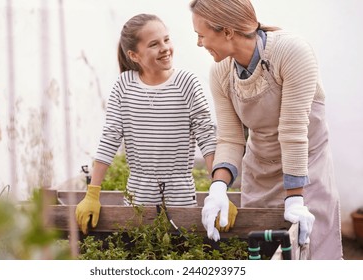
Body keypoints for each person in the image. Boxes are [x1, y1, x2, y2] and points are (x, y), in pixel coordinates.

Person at [189, 0, 343, 259]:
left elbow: (293, 130)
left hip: (305, 171)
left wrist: (294, 198)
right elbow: (230, 138)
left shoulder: (291, 52)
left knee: (313, 251)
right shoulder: (220, 71)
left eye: (201, 35)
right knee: (263, 253)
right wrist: (218, 187)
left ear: (227, 31)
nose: (199, 44)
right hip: (260, 172)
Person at [75, 13, 218, 235]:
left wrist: (219, 191)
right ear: (134, 55)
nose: (165, 48)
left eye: (167, 39)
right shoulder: (124, 86)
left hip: (181, 195)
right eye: (154, 44)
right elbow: (110, 137)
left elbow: (207, 139)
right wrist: (93, 193)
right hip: (137, 196)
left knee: (181, 254)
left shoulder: (188, 84)